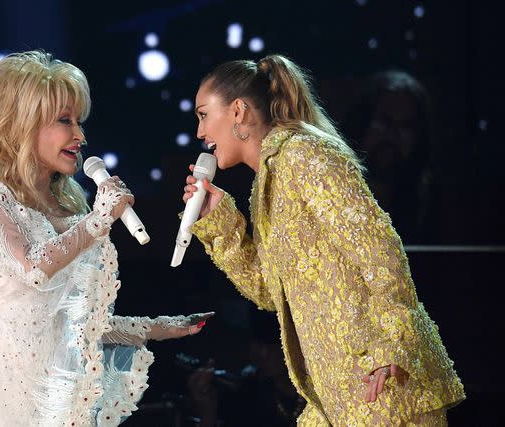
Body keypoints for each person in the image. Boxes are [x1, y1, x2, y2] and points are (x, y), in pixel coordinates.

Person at [181, 55, 464, 425]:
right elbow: (270, 291)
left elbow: (380, 250)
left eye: (204, 115)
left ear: (237, 111)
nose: (200, 132)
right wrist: (220, 223)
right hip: (334, 399)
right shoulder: (267, 182)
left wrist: (392, 342)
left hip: (383, 387)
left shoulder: (305, 155)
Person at [0, 50, 212, 426]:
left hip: (59, 388)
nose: (79, 135)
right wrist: (99, 220)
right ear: (22, 124)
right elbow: (34, 268)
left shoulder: (69, 203)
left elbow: (78, 325)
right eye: (64, 120)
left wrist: (160, 328)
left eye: (79, 121)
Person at [342, 70, 437, 243]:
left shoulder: (432, 203)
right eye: (384, 121)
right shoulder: (334, 192)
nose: (392, 135)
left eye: (405, 126)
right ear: (361, 124)